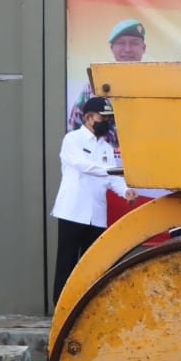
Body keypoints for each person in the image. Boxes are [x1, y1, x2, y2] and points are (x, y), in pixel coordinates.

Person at [51, 96, 129, 305]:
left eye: (108, 118)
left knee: (91, 264)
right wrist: (109, 171)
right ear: (88, 118)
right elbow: (83, 165)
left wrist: (125, 191)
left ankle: (85, 307)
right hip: (73, 212)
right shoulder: (72, 139)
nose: (106, 122)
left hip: (96, 215)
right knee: (67, 262)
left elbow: (113, 179)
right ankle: (62, 308)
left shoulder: (105, 146)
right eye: (102, 118)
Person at [68, 19, 147, 144]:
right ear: (112, 48)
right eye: (121, 43)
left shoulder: (155, 85)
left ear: (143, 48)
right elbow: (75, 126)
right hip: (103, 160)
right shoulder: (95, 86)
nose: (127, 49)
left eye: (134, 43)